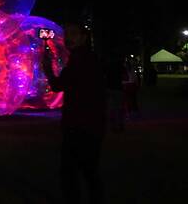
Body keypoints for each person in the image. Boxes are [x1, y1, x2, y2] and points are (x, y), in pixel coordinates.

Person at [42, 24, 106, 204]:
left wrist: (47, 69)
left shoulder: (81, 59)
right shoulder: (86, 58)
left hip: (80, 124)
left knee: (70, 171)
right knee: (88, 170)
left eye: (74, 34)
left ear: (84, 37)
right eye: (67, 34)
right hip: (91, 123)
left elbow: (58, 85)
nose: (68, 38)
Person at [105, 59, 126, 132]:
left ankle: (113, 126)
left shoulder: (107, 66)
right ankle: (120, 124)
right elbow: (126, 77)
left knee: (111, 108)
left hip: (109, 89)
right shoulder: (120, 66)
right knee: (119, 108)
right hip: (118, 88)